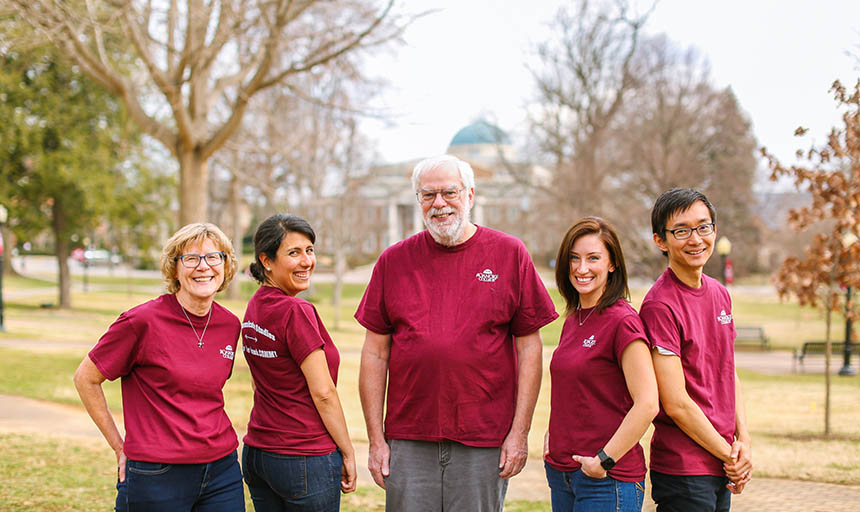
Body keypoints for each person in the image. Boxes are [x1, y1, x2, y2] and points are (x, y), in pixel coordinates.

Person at [355, 154, 559, 511]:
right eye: (428, 195)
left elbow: (530, 351)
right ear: (418, 200)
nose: (439, 204)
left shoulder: (510, 254)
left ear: (470, 195)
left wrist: (519, 434)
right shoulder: (393, 261)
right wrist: (376, 440)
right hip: (409, 437)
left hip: (484, 438)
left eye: (449, 192)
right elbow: (375, 354)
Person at [73, 223, 244, 511]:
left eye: (214, 257)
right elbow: (85, 379)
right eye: (191, 258)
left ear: (225, 266)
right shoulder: (141, 322)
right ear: (174, 269)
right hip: (157, 473)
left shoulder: (229, 324)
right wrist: (119, 445)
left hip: (222, 470)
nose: (204, 267)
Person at [640, 188, 752, 511]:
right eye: (681, 231)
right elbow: (675, 403)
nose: (696, 239)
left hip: (720, 460)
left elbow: (728, 372)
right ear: (660, 241)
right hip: (684, 469)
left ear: (715, 231)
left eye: (704, 227)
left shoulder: (720, 294)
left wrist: (742, 439)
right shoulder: (660, 305)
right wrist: (730, 454)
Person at [241, 213, 356, 511]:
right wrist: (347, 451)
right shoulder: (296, 311)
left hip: (259, 455)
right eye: (294, 253)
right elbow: (324, 393)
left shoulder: (256, 306)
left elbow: (260, 379)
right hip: (303, 457)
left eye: (310, 250)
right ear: (266, 260)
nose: (307, 262)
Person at [544, 217, 659, 512]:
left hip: (607, 479)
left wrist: (605, 459)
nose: (581, 269)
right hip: (562, 474)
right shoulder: (573, 319)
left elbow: (647, 403)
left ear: (612, 264)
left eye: (593, 258)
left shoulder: (623, 322)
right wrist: (551, 438)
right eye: (574, 258)